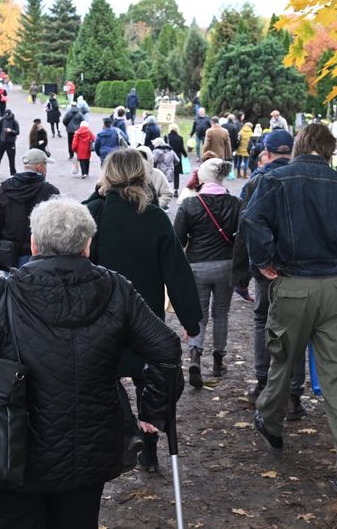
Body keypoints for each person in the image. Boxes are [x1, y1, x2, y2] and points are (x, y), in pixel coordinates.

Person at [0, 198, 182, 528]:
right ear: (87, 245)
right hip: (87, 453)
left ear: (34, 244)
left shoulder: (2, 292)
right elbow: (166, 349)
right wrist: (153, 408)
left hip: (6, 450)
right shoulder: (115, 289)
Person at [242, 124, 337, 501]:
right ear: (330, 150)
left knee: (283, 360)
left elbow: (251, 220)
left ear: (300, 146)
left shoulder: (276, 180)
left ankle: (271, 423)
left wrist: (263, 259)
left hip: (293, 286)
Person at [84, 149, 202, 472]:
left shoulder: (92, 213)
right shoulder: (153, 218)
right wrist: (191, 320)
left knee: (103, 378)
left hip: (100, 318)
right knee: (149, 382)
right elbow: (177, 272)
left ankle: (127, 431)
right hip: (144, 317)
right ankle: (147, 447)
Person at [230, 129, 306, 417]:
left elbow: (244, 231)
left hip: (267, 269)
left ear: (267, 152)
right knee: (297, 330)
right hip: (301, 268)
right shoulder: (305, 179)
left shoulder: (258, 181)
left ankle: (263, 384)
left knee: (263, 322)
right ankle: (294, 396)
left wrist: (240, 276)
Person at [174, 158, 241, 388]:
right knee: (221, 313)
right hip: (226, 265)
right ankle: (218, 361)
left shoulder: (190, 205)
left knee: (198, 315)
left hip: (196, 266)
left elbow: (178, 240)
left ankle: (194, 355)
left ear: (203, 177)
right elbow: (241, 238)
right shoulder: (236, 204)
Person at [0, 149, 60, 271]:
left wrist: (1, 245)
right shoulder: (50, 191)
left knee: (11, 287)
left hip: (10, 251)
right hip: (40, 252)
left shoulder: (5, 188)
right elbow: (58, 225)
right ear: (40, 167)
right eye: (46, 165)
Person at [0, 109, 20, 179]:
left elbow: (17, 132)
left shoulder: (15, 122)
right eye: (5, 115)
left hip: (11, 143)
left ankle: (13, 173)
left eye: (8, 116)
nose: (6, 117)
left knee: (11, 159)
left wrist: (11, 131)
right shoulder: (1, 121)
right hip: (1, 142)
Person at [166, 123, 187, 191]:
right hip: (177, 157)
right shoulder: (180, 138)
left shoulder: (166, 137)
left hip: (168, 156)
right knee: (176, 174)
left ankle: (166, 188)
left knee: (167, 172)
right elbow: (182, 149)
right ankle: (176, 189)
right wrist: (185, 155)